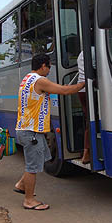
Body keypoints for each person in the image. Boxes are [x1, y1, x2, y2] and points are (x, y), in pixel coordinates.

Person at [14, 53, 84, 210]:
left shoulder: (27, 78)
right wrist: (82, 84)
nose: (49, 71)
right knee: (33, 168)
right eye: (49, 67)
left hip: (27, 129)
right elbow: (64, 91)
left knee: (41, 159)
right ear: (43, 66)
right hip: (31, 132)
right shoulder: (40, 80)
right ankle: (29, 200)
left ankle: (20, 185)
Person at [77, 52, 91, 164]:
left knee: (88, 119)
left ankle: (86, 152)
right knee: (91, 121)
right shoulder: (94, 50)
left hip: (81, 90)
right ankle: (87, 153)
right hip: (89, 89)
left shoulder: (82, 53)